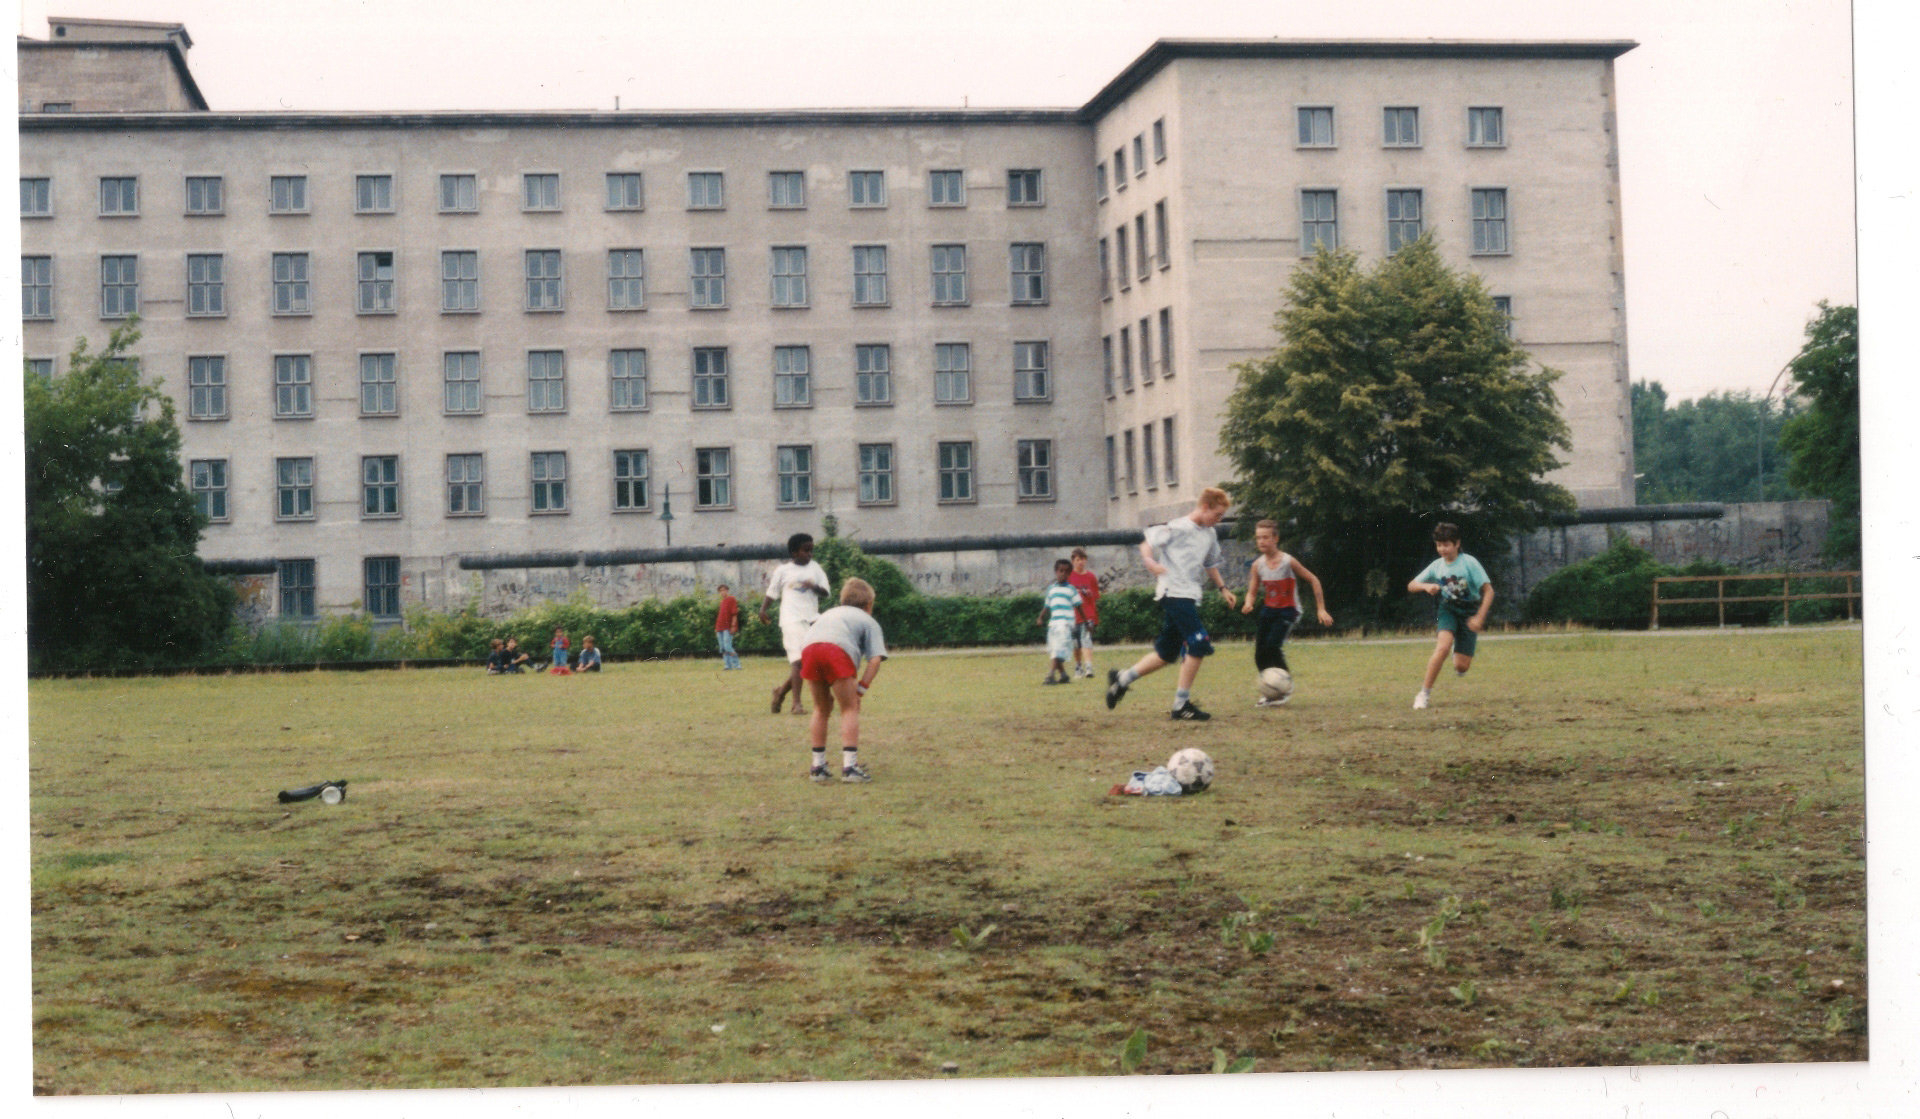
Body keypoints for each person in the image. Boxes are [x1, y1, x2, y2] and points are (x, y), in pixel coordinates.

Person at [1106, 487, 1239, 720]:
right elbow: (1146, 542)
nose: (1218, 521)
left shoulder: (1209, 534)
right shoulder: (1178, 527)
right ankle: (1181, 705)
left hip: (1189, 595)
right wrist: (1150, 562)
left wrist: (1223, 588)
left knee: (1166, 653)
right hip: (1173, 592)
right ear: (1205, 506)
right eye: (1217, 515)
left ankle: (1122, 679)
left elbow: (1210, 564)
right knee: (1199, 643)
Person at [798, 577, 887, 783]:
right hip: (835, 650)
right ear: (868, 605)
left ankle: (818, 766)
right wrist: (861, 689)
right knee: (850, 707)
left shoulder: (829, 613)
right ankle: (850, 767)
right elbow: (875, 660)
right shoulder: (868, 620)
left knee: (821, 708)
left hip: (810, 648)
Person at [1240, 519, 1334, 707]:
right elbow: (1252, 590)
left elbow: (1313, 580)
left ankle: (1284, 687)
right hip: (1269, 610)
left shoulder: (1287, 561)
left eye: (1266, 537)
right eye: (1258, 538)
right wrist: (1248, 602)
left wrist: (1321, 608)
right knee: (1260, 654)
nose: (1261, 541)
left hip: (1288, 610)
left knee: (1273, 647)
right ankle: (1271, 690)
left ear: (1276, 538)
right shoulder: (1257, 565)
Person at [1407, 521, 1494, 711]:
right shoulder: (1437, 566)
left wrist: (1480, 617)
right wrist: (1425, 586)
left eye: (1446, 544)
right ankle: (1424, 694)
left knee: (1462, 667)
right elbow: (1411, 585)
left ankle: (1458, 649)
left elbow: (1489, 591)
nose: (1442, 549)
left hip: (1469, 611)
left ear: (1457, 544)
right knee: (1442, 647)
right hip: (1448, 610)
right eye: (1439, 545)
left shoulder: (1469, 563)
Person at [760, 532, 831, 716]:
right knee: (799, 661)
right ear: (794, 553)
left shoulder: (815, 568)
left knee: (810, 662)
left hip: (813, 619)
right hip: (791, 619)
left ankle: (780, 692)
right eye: (805, 550)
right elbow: (772, 592)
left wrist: (813, 586)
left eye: (811, 550)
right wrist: (763, 610)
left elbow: (826, 592)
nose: (810, 554)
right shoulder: (783, 571)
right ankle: (796, 705)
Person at [1036, 558, 1085, 685]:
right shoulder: (1051, 589)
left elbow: (1079, 606)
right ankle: (1063, 675)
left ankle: (1051, 676)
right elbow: (1047, 606)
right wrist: (1040, 617)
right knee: (1054, 649)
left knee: (1058, 650)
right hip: (1053, 624)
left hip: (1066, 624)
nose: (1062, 574)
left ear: (1069, 574)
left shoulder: (1071, 590)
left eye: (1066, 572)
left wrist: (1085, 622)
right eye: (1060, 571)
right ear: (1056, 572)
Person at [1066, 547, 1102, 678]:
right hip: (1073, 616)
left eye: (1082, 559)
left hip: (1088, 615)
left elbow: (1095, 598)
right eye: (1077, 560)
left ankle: (1088, 667)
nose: (1080, 562)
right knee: (1076, 643)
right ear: (1073, 561)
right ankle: (1078, 666)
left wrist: (1094, 616)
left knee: (1086, 640)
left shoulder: (1091, 577)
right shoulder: (1069, 577)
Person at [714, 584, 743, 670]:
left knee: (727, 646)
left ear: (727, 590)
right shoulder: (722, 602)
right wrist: (716, 629)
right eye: (720, 591)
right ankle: (727, 665)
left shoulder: (732, 599)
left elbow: (734, 614)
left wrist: (733, 625)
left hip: (728, 627)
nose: (722, 592)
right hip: (719, 627)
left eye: (724, 590)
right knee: (722, 647)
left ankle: (737, 664)